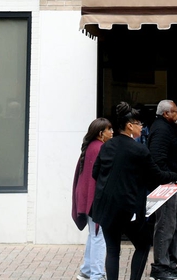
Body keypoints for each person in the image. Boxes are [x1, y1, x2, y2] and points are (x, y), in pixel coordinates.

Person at [90, 102, 177, 280]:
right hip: (128, 207)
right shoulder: (139, 149)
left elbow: (95, 173)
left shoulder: (106, 146)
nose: (142, 128)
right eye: (140, 124)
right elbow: (157, 176)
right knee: (143, 245)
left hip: (106, 207)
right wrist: (175, 174)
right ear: (130, 125)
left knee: (113, 250)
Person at [148, 99, 177, 280]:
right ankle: (160, 267)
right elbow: (156, 158)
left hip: (173, 183)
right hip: (166, 185)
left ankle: (171, 264)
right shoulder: (161, 130)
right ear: (166, 114)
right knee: (165, 225)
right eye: (175, 112)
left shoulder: (168, 129)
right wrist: (169, 177)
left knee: (175, 224)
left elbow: (174, 152)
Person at [72, 118, 113, 280]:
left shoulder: (90, 147)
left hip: (87, 197)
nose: (112, 132)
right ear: (101, 133)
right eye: (109, 129)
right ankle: (97, 274)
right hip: (96, 199)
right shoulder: (101, 148)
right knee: (99, 236)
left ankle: (87, 270)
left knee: (93, 235)